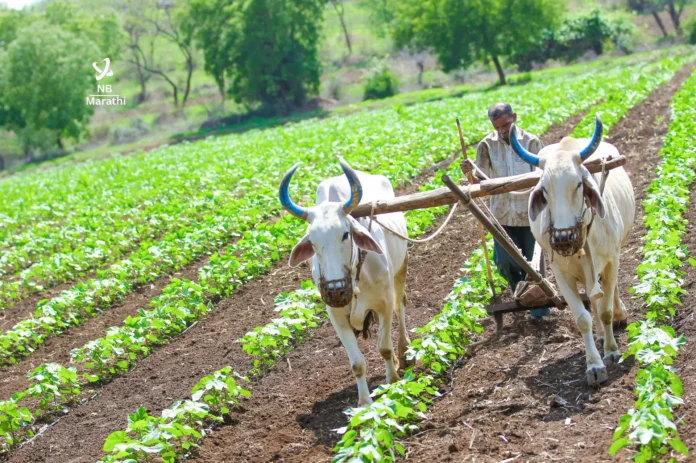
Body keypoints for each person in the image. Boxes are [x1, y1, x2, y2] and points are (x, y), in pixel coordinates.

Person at [461, 102, 551, 319]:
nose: (502, 131)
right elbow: (478, 181)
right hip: (501, 214)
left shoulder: (531, 141)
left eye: (505, 125)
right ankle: (520, 292)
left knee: (534, 264)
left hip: (530, 213)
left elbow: (544, 174)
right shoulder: (486, 146)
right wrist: (468, 174)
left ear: (515, 118)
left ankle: (539, 311)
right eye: (498, 127)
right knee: (503, 262)